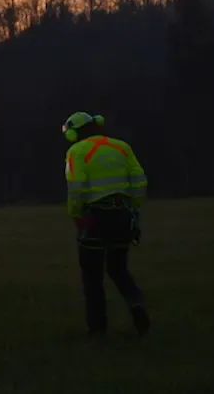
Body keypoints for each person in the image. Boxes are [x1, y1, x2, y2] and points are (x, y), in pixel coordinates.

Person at [62, 111, 151, 337]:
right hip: (123, 214)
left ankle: (97, 328)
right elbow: (140, 180)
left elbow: (76, 187)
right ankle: (136, 303)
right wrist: (133, 210)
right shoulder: (122, 146)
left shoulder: (76, 151)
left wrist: (76, 214)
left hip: (95, 217)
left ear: (74, 132)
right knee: (118, 268)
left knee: (92, 275)